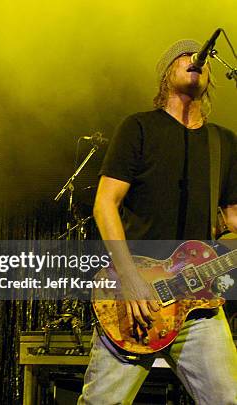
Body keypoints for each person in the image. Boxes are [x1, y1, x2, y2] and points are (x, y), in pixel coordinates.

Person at [79, 39, 237, 404]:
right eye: (184, 55)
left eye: (201, 59)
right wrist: (130, 279)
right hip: (134, 299)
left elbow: (231, 218)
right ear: (167, 74)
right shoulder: (138, 128)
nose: (194, 59)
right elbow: (105, 204)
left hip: (199, 304)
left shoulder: (223, 142)